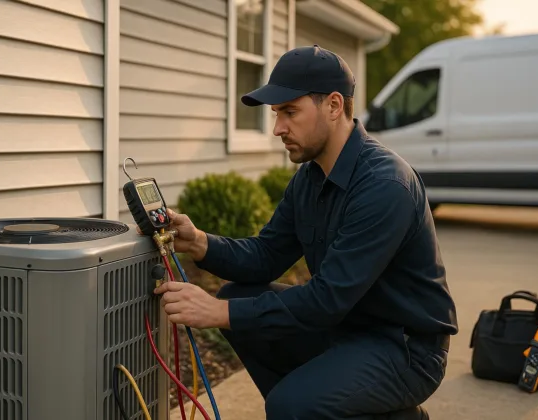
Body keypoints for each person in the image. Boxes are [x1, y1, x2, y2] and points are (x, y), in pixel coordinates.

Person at [152, 45, 459, 420]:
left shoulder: (385, 185)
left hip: (405, 348)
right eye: (277, 114)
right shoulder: (310, 178)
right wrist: (200, 243)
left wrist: (218, 311)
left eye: (289, 112)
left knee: (289, 404)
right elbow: (266, 256)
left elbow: (327, 298)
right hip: (346, 329)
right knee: (242, 297)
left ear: (333, 106)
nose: (278, 128)